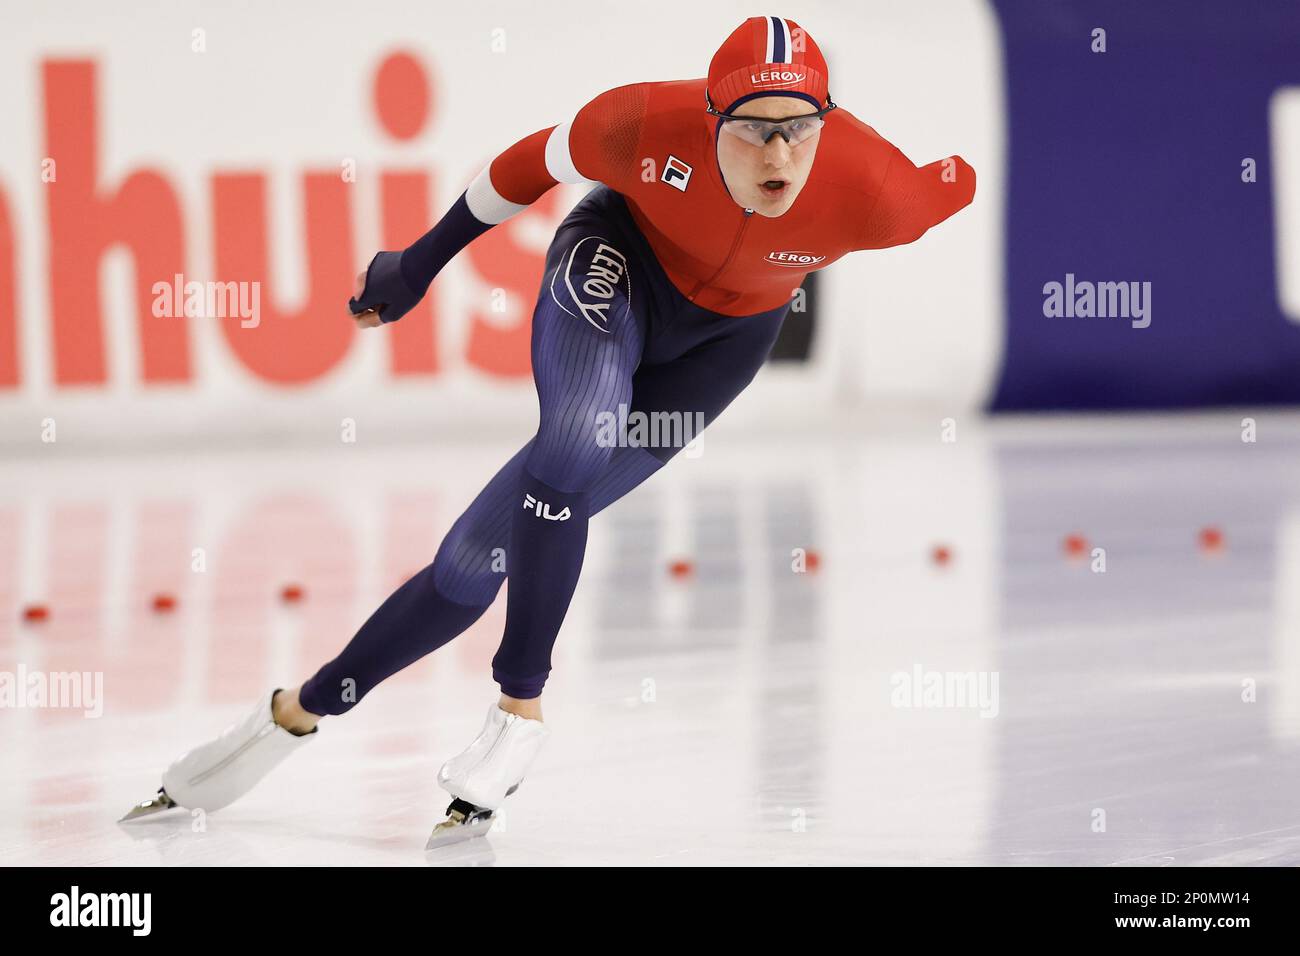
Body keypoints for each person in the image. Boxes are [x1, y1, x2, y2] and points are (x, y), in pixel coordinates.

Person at [121, 16, 975, 846]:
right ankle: (520, 706)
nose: (778, 155)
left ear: (827, 122)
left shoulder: (881, 194)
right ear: (711, 115)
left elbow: (957, 180)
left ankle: (291, 715)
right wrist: (417, 264)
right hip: (617, 263)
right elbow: (523, 166)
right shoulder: (639, 122)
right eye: (753, 129)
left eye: (799, 129)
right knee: (576, 436)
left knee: (470, 562)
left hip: (721, 350)